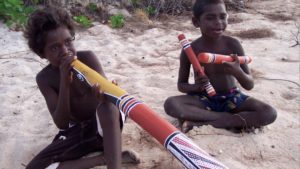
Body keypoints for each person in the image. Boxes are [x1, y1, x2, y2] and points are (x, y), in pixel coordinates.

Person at [24, 6, 139, 169]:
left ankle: (114, 164)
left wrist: (103, 96)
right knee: (35, 167)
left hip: (104, 128)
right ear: (42, 54)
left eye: (68, 42)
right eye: (54, 48)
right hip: (78, 132)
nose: (65, 51)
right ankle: (105, 158)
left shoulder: (88, 58)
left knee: (108, 107)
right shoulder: (44, 79)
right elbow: (62, 123)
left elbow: (107, 99)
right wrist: (64, 81)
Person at [164, 0, 277, 133]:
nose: (218, 22)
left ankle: (206, 122)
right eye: (210, 18)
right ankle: (225, 119)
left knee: (269, 113)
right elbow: (181, 85)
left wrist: (238, 72)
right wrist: (196, 87)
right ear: (196, 22)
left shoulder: (233, 44)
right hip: (203, 99)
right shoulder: (190, 49)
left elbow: (249, 85)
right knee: (171, 104)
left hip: (232, 98)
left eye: (223, 17)